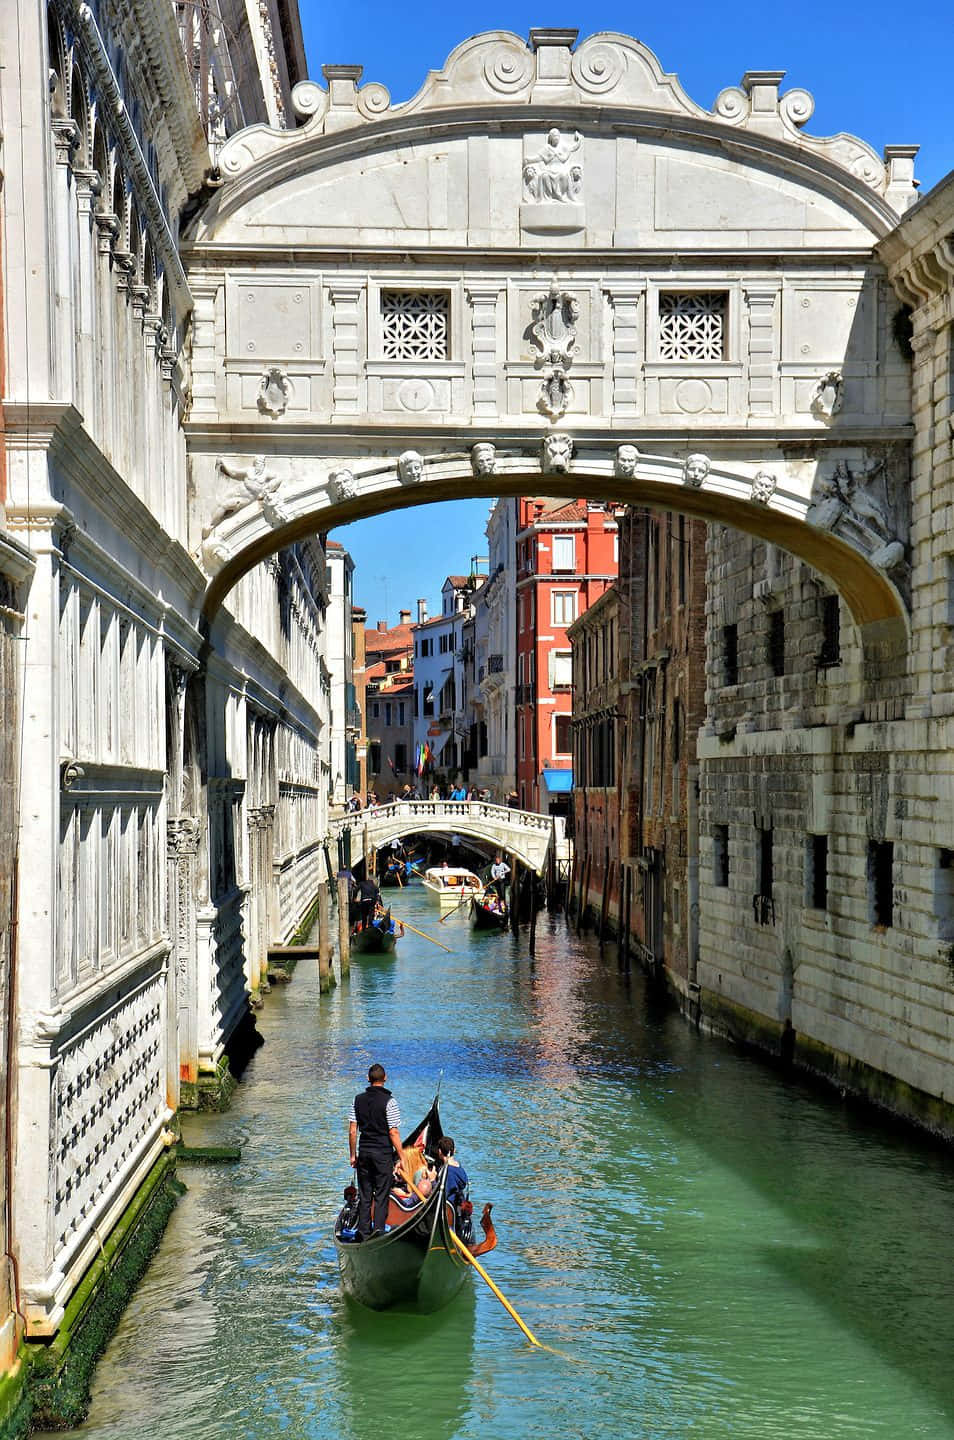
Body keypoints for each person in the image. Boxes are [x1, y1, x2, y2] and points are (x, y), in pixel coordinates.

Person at [348, 1063, 403, 1240]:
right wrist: (402, 1157)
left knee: (365, 1194)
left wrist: (352, 1155)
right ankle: (378, 1230)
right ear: (385, 1079)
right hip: (382, 1155)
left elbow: (352, 1130)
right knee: (381, 1194)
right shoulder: (390, 1101)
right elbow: (393, 1132)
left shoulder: (356, 1100)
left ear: (368, 1079)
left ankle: (363, 1232)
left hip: (364, 1153)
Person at [436, 1135, 468, 1208]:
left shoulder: (447, 1171)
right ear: (454, 1150)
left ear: (440, 1151)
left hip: (447, 1206)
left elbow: (445, 1193)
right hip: (458, 1206)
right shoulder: (460, 1168)